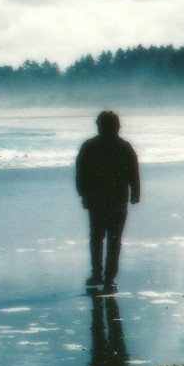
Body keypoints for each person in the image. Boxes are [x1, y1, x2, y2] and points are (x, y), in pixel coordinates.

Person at [75, 110, 140, 289]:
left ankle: (98, 274)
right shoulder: (125, 147)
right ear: (116, 126)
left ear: (99, 126)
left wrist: (83, 194)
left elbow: (81, 173)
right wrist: (135, 192)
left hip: (97, 201)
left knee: (97, 238)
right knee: (113, 240)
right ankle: (109, 277)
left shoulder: (89, 146)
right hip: (117, 200)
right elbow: (134, 172)